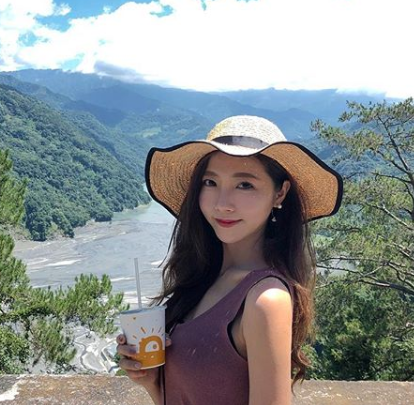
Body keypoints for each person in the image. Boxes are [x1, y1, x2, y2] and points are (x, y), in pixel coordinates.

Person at [116, 115, 343, 405]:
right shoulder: (205, 277)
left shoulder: (265, 300)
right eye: (210, 182)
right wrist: (153, 382)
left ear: (280, 193)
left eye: (244, 185)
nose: (222, 203)